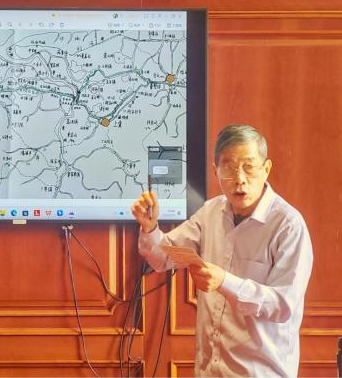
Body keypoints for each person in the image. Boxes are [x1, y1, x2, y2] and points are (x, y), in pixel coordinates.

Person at [132, 124, 313, 377]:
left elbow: (284, 305)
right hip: (210, 370)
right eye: (229, 167)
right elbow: (163, 257)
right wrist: (150, 228)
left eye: (249, 167)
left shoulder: (288, 225)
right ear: (215, 170)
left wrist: (224, 282)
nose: (240, 178)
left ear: (266, 169)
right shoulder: (211, 212)